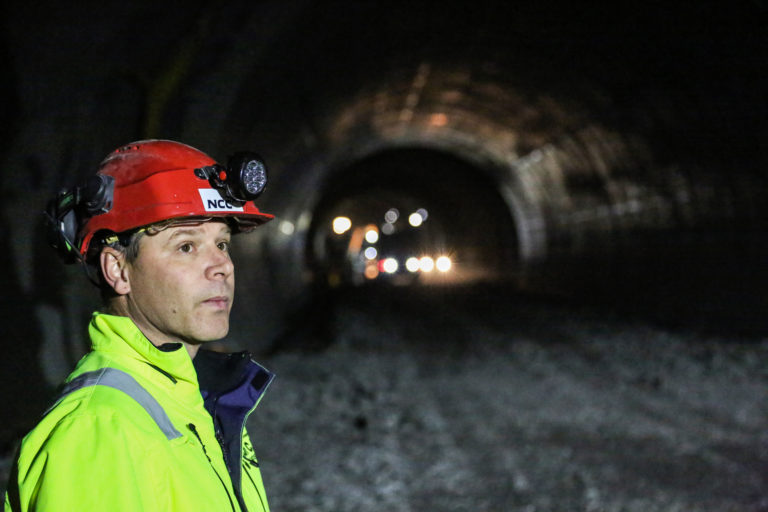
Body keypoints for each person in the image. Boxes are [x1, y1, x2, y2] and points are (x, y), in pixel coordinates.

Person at [4, 140, 276, 511]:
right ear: (118, 270)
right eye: (186, 246)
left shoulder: (187, 399)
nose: (222, 267)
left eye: (223, 245)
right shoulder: (100, 430)